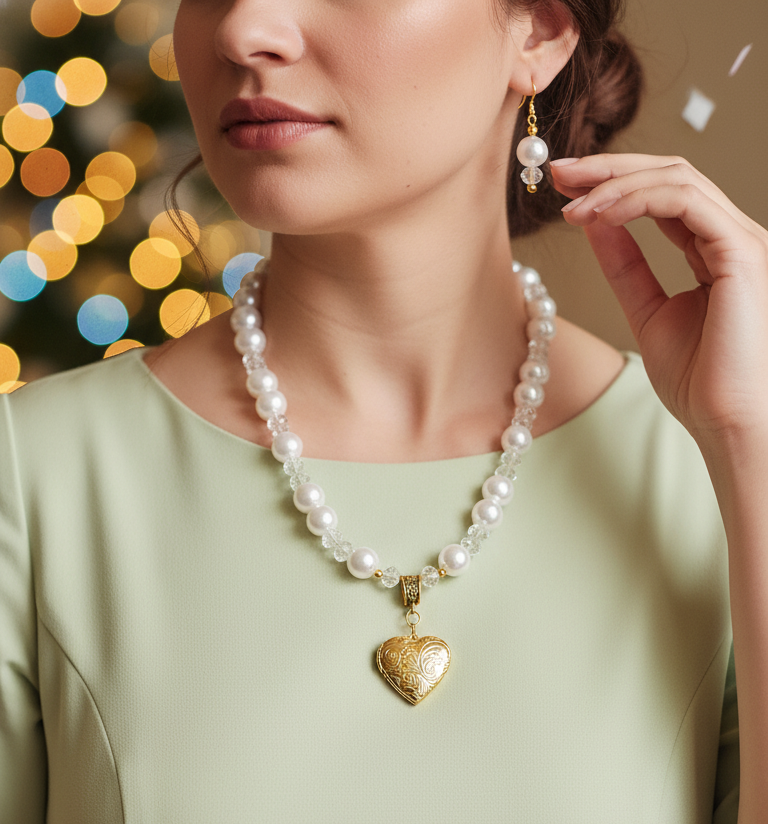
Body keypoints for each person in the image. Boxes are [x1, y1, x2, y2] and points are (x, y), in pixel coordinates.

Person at [1, 0, 766, 820]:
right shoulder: (33, 476)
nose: (242, 30)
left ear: (538, 31)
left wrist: (748, 442)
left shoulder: (711, 467)